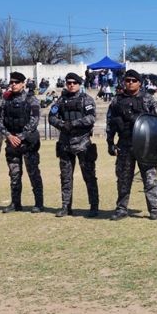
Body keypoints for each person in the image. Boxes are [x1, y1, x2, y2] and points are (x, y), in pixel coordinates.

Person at [106, 69, 157, 221]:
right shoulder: (116, 101)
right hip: (124, 144)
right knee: (123, 179)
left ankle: (154, 209)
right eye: (127, 80)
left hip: (145, 145)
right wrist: (110, 142)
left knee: (149, 179)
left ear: (139, 83)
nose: (130, 83)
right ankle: (121, 209)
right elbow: (110, 123)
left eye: (133, 80)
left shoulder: (148, 99)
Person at [48, 73, 99, 218]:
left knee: (89, 176)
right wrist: (63, 124)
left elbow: (91, 118)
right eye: (68, 82)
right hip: (65, 144)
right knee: (65, 177)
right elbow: (51, 117)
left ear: (79, 84)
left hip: (83, 143)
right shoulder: (60, 100)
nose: (71, 85)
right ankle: (66, 207)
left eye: (74, 83)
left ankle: (94, 206)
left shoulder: (86, 99)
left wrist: (74, 124)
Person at [0, 72, 44, 213]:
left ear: (23, 83)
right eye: (11, 82)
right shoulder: (6, 101)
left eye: (16, 82)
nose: (13, 84)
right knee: (14, 174)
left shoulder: (31, 100)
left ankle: (39, 203)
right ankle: (15, 203)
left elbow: (34, 121)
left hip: (28, 143)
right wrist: (9, 136)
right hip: (12, 143)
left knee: (33, 173)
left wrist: (20, 136)